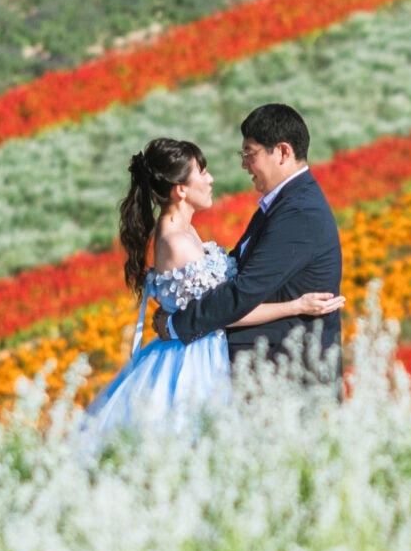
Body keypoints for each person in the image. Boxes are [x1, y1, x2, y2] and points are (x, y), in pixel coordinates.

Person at [84, 133, 343, 435]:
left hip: (208, 353)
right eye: (203, 172)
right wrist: (296, 306)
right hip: (193, 363)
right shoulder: (176, 241)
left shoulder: (187, 232)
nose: (211, 179)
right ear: (181, 190)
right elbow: (228, 309)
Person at [163, 103, 345, 378]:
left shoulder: (299, 213)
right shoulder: (282, 204)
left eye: (250, 153)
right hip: (265, 374)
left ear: (283, 152)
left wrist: (177, 325)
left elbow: (244, 291)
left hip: (286, 376)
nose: (244, 164)